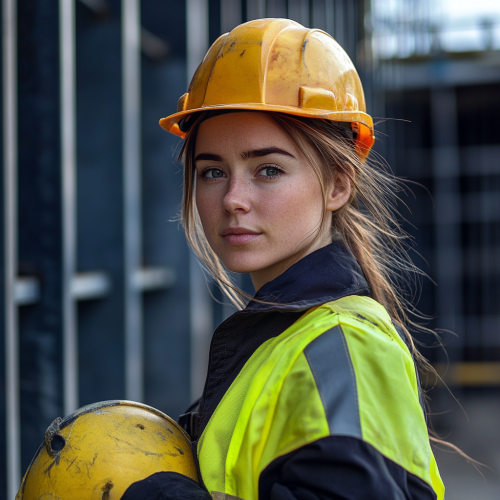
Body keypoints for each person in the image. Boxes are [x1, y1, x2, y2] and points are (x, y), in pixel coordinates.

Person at [125, 18, 445, 500]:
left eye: (268, 170)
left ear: (338, 183)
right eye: (212, 172)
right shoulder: (278, 338)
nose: (233, 198)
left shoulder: (342, 344)